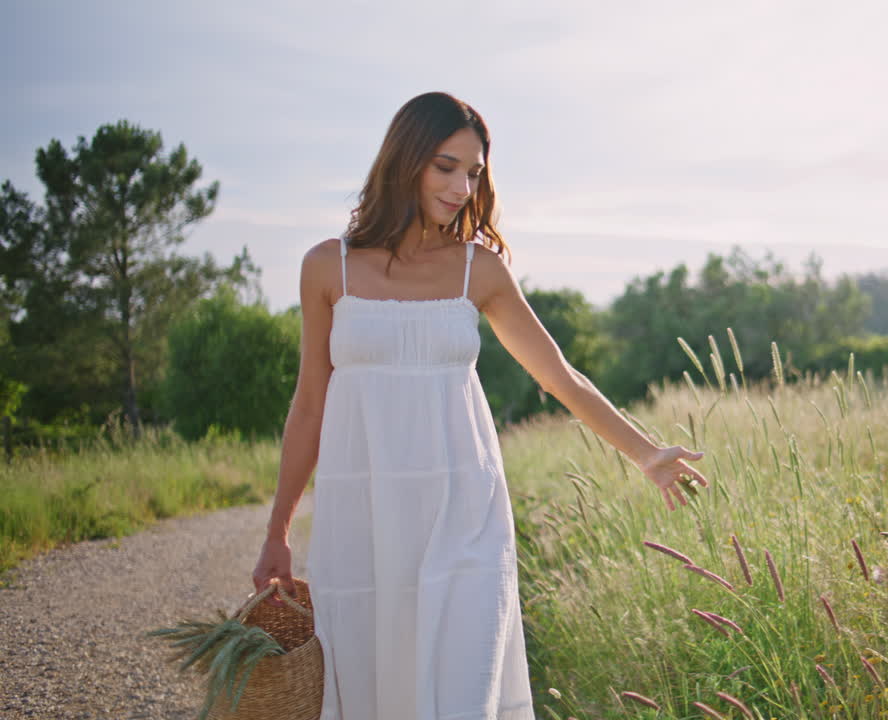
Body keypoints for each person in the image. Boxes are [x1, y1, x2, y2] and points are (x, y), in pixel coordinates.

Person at [251, 91, 709, 719]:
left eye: (473, 172)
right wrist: (277, 529)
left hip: (464, 511)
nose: (463, 186)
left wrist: (647, 453)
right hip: (365, 519)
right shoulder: (328, 268)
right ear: (403, 160)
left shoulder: (480, 270)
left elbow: (560, 376)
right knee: (371, 688)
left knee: (464, 690)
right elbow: (309, 404)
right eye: (446, 166)